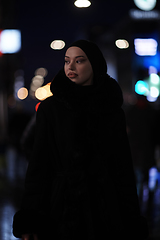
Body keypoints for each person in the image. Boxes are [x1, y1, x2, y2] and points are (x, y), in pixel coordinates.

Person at [13, 40, 149, 240]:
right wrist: (31, 218)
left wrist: (131, 219)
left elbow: (123, 170)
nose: (71, 67)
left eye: (79, 61)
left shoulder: (111, 111)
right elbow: (39, 167)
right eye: (67, 61)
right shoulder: (51, 109)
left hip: (106, 212)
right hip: (60, 211)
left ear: (94, 64)